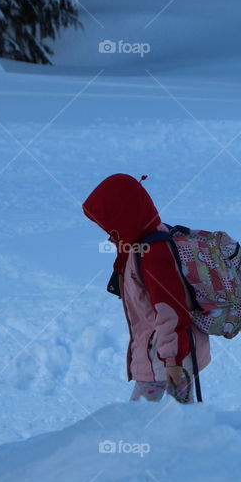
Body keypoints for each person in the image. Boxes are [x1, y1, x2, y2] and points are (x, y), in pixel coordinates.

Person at [82, 173, 211, 403]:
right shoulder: (142, 243)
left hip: (166, 360)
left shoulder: (152, 254)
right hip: (164, 357)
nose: (108, 236)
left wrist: (173, 362)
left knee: (141, 421)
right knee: (181, 420)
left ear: (125, 219)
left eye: (111, 227)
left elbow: (171, 309)